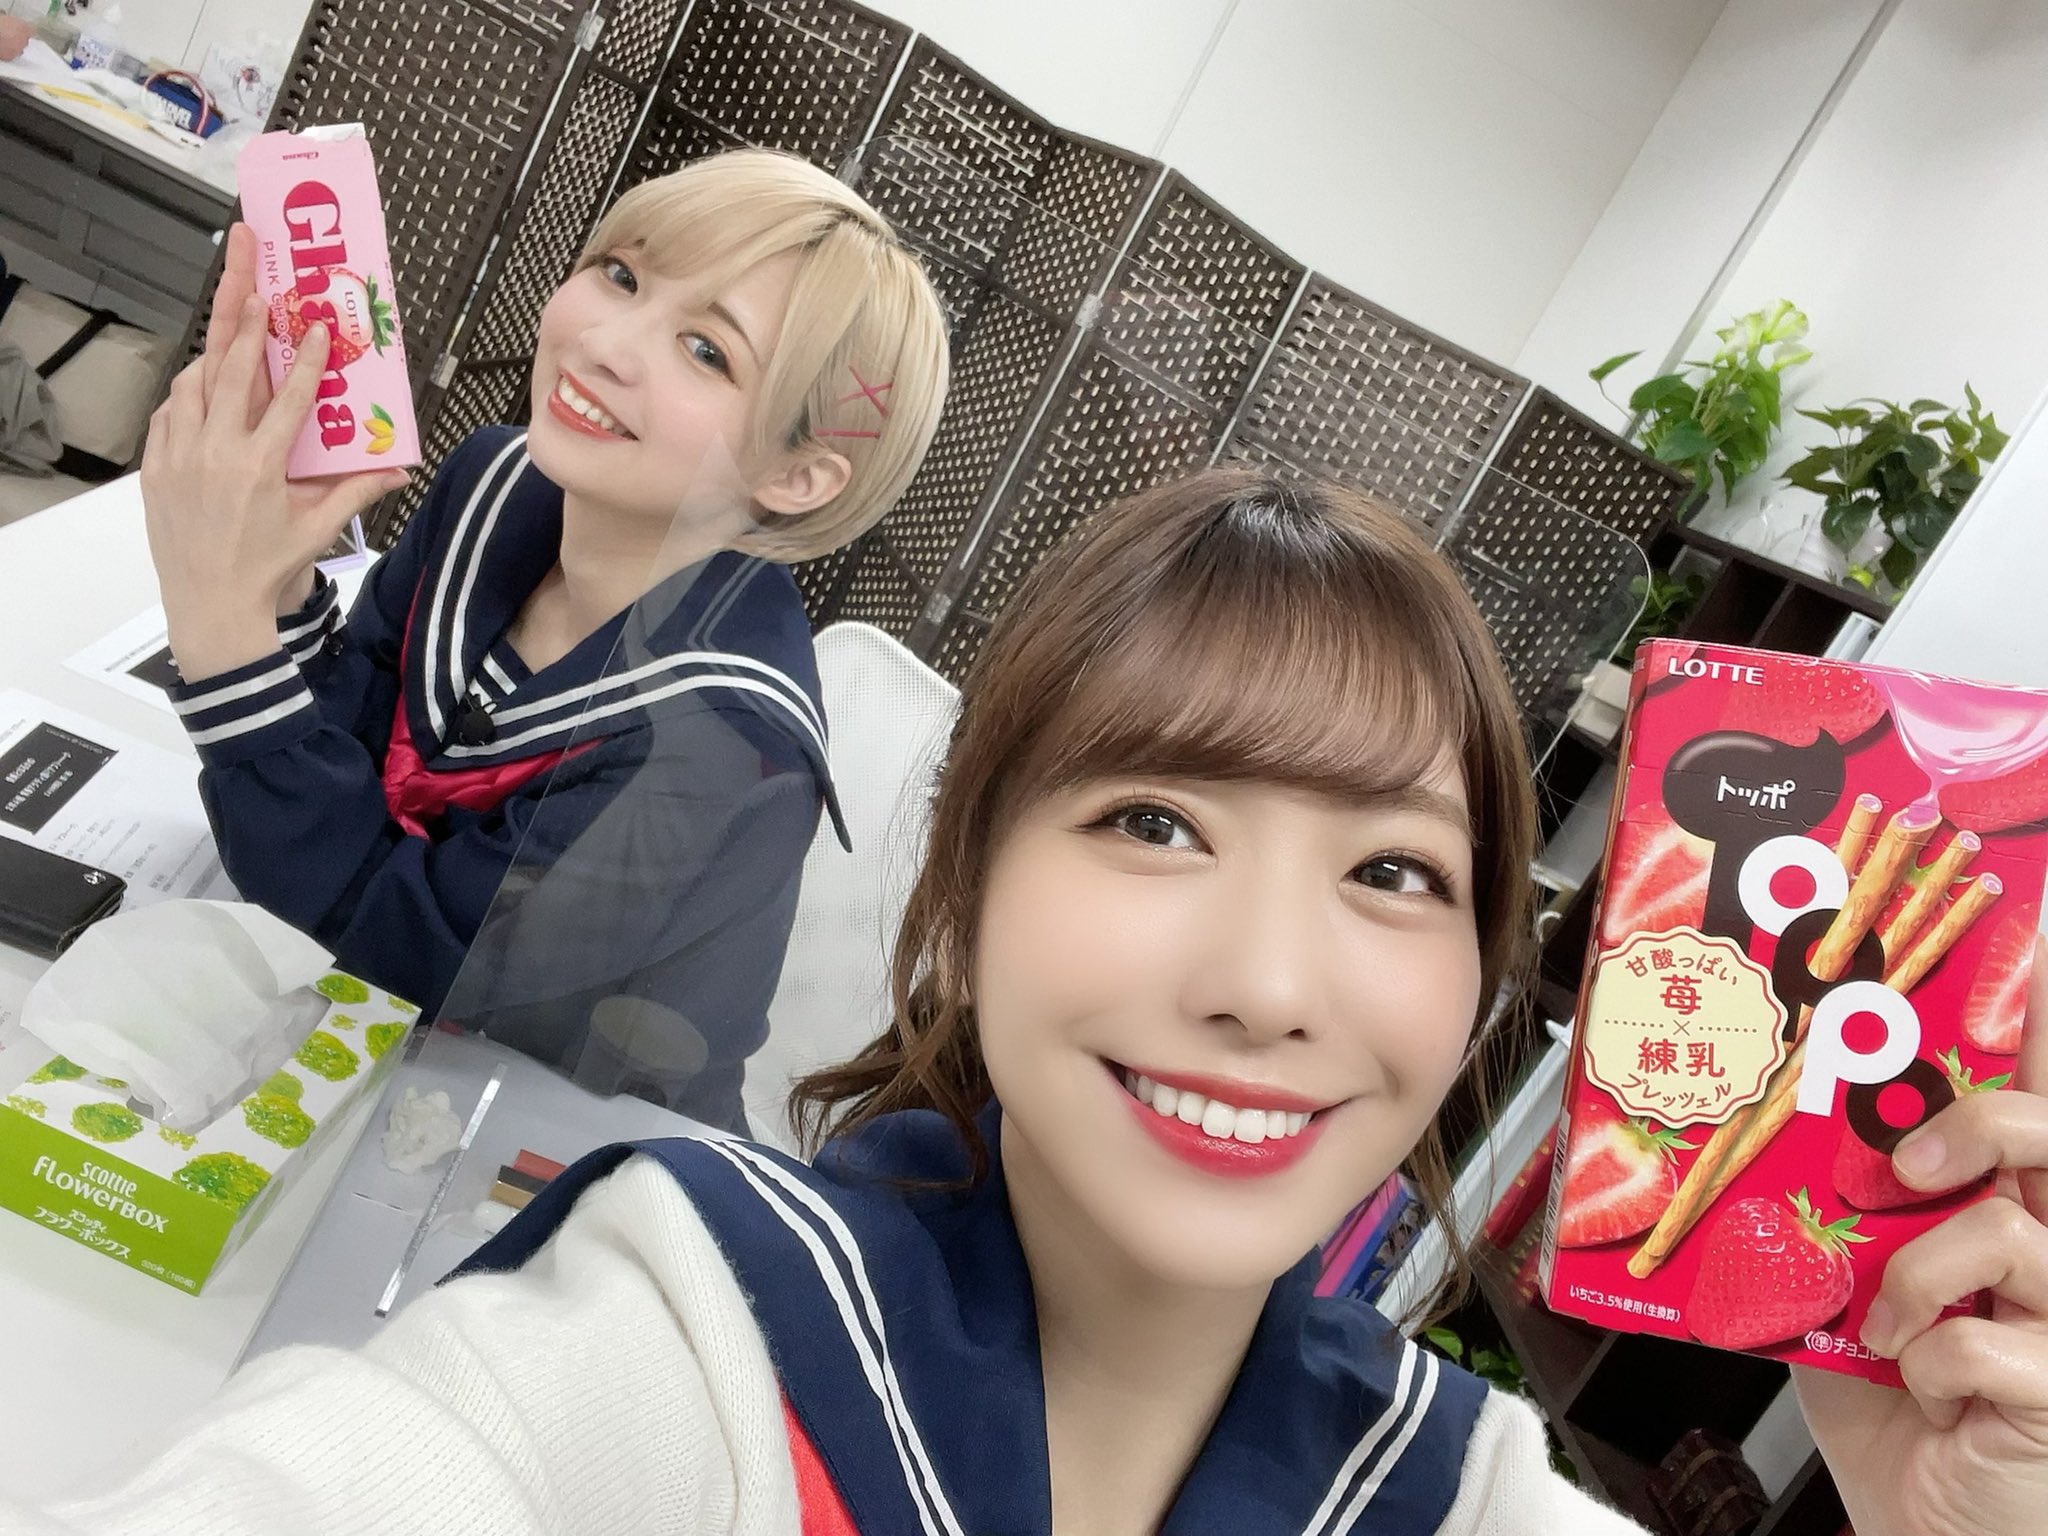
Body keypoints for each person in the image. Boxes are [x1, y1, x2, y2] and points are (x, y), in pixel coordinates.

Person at [12, 469, 2047, 1534]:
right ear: (966, 890)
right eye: (1155, 823)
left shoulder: (1464, 1494)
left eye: (1391, 873)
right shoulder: (678, 1335)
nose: (1265, 984)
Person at [138, 149, 950, 1128]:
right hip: (354, 1042)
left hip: (561, 1148)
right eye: (622, 274)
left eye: (707, 351)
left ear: (795, 475)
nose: (605, 341)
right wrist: (280, 581)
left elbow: (414, 957)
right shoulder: (493, 481)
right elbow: (353, 737)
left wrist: (222, 624)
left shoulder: (724, 749)